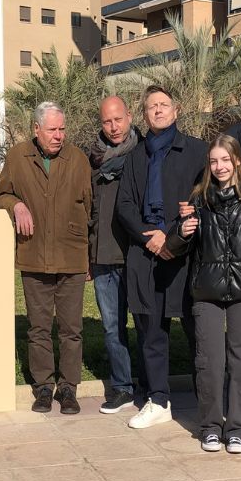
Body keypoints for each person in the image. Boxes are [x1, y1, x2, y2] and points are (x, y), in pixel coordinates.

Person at [117, 85, 208, 428]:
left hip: (186, 254)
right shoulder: (135, 157)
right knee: (152, 332)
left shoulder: (198, 151)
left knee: (198, 331)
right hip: (147, 254)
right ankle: (158, 400)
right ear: (144, 114)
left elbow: (205, 198)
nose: (158, 110)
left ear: (176, 109)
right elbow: (125, 205)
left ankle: (210, 403)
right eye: (151, 106)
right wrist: (151, 237)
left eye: (163, 104)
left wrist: (172, 237)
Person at [0, 101, 93, 414]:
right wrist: (17, 205)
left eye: (62, 129)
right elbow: (1, 193)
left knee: (71, 329)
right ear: (36, 129)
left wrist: (88, 254)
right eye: (52, 129)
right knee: (38, 328)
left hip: (71, 255)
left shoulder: (78, 159)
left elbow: (90, 207)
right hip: (34, 254)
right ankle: (43, 388)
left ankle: (69, 388)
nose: (59, 135)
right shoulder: (17, 157)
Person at [167, 134, 241, 453]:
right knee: (209, 362)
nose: (219, 167)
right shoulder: (198, 199)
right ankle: (210, 427)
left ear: (237, 161)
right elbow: (175, 245)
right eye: (213, 161)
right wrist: (181, 231)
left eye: (225, 160)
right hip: (206, 291)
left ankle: (237, 429)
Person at [88, 95, 142, 414]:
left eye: (118, 119)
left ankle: (151, 385)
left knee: (146, 325)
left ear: (129, 116)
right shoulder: (92, 159)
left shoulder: (145, 153)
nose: (113, 127)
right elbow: (87, 209)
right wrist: (88, 254)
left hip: (138, 254)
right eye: (107, 121)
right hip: (104, 255)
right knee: (112, 327)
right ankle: (122, 387)